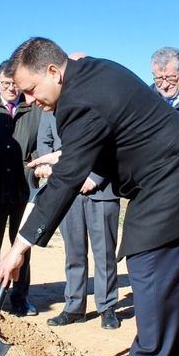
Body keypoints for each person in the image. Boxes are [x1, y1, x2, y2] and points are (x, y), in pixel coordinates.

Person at [0, 37, 179, 356]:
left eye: (30, 90)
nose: (29, 101)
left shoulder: (77, 100)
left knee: (147, 260)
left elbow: (67, 181)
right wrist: (64, 156)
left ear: (54, 72)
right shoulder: (93, 71)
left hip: (171, 176)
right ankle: (178, 355)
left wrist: (19, 248)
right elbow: (111, 130)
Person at [38, 109, 121, 329]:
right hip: (68, 190)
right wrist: (58, 173)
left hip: (101, 191)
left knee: (104, 253)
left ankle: (107, 307)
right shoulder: (48, 111)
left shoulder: (95, 103)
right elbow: (45, 143)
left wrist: (94, 178)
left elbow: (112, 144)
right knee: (73, 252)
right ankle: (74, 307)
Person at [0, 61, 41, 316]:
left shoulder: (33, 108)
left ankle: (20, 297)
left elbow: (40, 142)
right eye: (6, 83)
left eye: (15, 83)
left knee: (22, 245)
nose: (11, 88)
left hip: (23, 189)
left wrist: (34, 165)